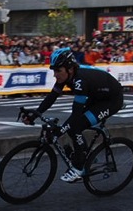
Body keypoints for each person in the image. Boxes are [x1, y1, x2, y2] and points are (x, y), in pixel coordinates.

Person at [21, 47, 124, 182]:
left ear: (69, 69)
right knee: (72, 127)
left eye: (58, 71)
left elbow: (76, 114)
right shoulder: (67, 75)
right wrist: (34, 115)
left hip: (111, 101)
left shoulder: (80, 81)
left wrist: (59, 132)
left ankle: (79, 167)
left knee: (76, 126)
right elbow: (51, 97)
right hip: (97, 97)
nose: (55, 75)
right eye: (54, 71)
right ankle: (85, 155)